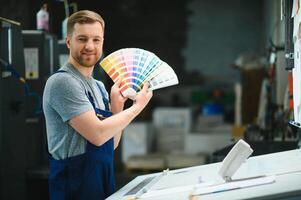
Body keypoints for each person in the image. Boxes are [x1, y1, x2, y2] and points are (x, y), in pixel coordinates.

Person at [43, 10, 152, 200]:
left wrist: (117, 107)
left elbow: (111, 143)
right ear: (69, 42)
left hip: (101, 181)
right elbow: (98, 135)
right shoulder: (63, 83)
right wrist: (136, 108)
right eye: (82, 39)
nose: (89, 46)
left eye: (96, 40)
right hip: (74, 187)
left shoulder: (99, 86)